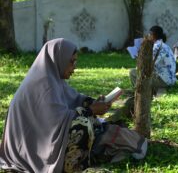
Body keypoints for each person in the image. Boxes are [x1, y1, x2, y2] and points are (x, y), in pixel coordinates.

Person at [0, 38, 147, 173]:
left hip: (43, 141)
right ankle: (72, 166)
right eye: (71, 62)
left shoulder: (54, 80)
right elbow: (58, 122)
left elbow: (75, 98)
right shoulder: (43, 85)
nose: (74, 68)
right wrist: (91, 110)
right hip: (32, 149)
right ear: (58, 59)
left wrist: (94, 103)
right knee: (82, 124)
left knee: (91, 122)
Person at [129, 25, 176, 92]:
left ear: (152, 35)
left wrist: (139, 56)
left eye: (149, 34)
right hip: (170, 79)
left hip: (163, 81)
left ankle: (138, 92)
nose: (148, 36)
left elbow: (147, 65)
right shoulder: (164, 45)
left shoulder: (157, 47)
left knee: (133, 72)